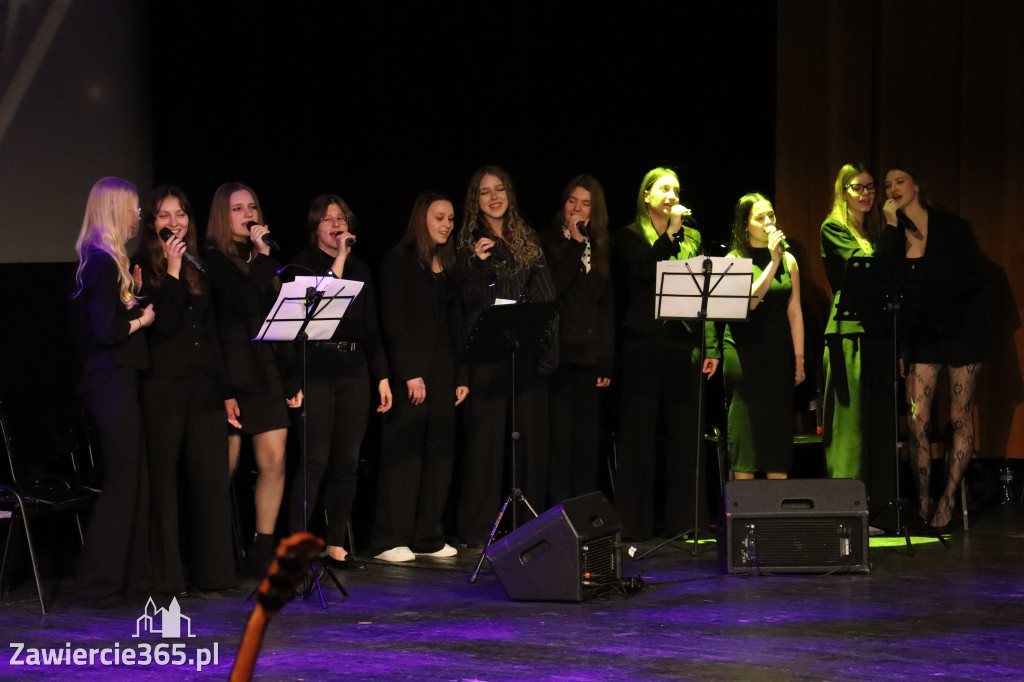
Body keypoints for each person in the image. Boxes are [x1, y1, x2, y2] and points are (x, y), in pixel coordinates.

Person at [133, 186, 235, 593]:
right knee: (165, 487)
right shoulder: (140, 267)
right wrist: (172, 271)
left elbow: (210, 333)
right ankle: (167, 578)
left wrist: (226, 390)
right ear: (151, 224)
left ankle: (214, 573)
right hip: (164, 390)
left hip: (204, 388)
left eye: (180, 215)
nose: (174, 223)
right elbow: (168, 324)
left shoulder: (199, 265)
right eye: (164, 216)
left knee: (210, 482)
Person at [283, 194, 392, 569]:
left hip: (354, 368)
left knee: (347, 462)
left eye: (342, 217)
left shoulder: (362, 267)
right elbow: (309, 318)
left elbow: (373, 328)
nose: (337, 224)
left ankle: (335, 543)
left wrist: (382, 377)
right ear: (316, 227)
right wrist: (340, 258)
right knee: (313, 461)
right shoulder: (301, 266)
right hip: (316, 365)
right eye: (328, 219)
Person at [613, 167, 720, 540]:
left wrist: (710, 344)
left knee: (687, 437)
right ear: (646, 196)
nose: (672, 194)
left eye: (676, 188)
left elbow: (706, 292)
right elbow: (646, 271)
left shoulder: (693, 238)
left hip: (684, 342)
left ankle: (687, 523)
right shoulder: (628, 238)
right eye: (663, 188)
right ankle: (633, 524)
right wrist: (670, 233)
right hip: (643, 342)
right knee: (638, 435)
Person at [881, 165, 986, 529]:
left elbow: (977, 276)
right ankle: (923, 500)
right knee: (917, 417)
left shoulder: (950, 226)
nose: (893, 189)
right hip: (923, 336)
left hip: (962, 332)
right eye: (888, 185)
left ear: (916, 185)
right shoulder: (894, 236)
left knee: (960, 416)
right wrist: (893, 229)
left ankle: (949, 497)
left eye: (900, 182)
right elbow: (884, 280)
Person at [456, 165, 555, 547]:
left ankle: (529, 524)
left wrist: (549, 349)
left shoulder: (526, 237)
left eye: (500, 189)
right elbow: (468, 301)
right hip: (486, 354)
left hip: (524, 350)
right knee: (484, 443)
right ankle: (478, 529)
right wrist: (478, 266)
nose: (494, 197)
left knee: (529, 440)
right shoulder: (468, 241)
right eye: (485, 192)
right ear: (475, 201)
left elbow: (546, 296)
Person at [202, 182, 296, 576]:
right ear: (224, 217)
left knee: (274, 460)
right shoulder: (211, 259)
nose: (247, 215)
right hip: (231, 372)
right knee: (225, 466)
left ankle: (263, 548)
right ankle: (212, 549)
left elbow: (279, 317)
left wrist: (291, 377)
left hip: (266, 369)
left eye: (252, 207)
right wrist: (261, 257)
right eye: (238, 209)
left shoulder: (265, 258)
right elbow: (242, 300)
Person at [70, 177, 154, 606]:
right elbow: (104, 332)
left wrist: (130, 300)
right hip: (109, 384)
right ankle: (96, 584)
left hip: (116, 381)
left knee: (132, 479)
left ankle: (129, 581)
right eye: (133, 207)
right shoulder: (102, 261)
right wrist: (141, 319)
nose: (139, 215)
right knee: (123, 482)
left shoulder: (102, 261)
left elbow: (102, 319)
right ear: (114, 210)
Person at [371, 192, 469, 562]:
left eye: (451, 219)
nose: (447, 224)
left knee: (440, 451)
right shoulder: (398, 262)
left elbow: (456, 324)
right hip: (410, 368)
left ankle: (427, 535)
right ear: (422, 220)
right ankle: (389, 537)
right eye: (440, 218)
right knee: (405, 452)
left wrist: (461, 374)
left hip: (444, 368)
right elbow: (393, 322)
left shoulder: (448, 264)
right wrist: (409, 373)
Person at [820, 163, 896, 521]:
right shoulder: (834, 227)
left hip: (876, 333)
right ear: (843, 191)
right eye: (858, 188)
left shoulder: (872, 231)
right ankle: (845, 513)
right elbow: (863, 267)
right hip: (848, 334)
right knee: (848, 429)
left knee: (877, 426)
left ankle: (876, 511)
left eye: (870, 188)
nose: (866, 194)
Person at [540, 175, 614, 502]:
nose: (578, 208)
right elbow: (552, 289)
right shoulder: (549, 241)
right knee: (560, 441)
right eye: (573, 201)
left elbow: (606, 306)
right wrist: (573, 243)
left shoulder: (600, 245)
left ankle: (584, 512)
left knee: (586, 442)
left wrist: (606, 359)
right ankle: (559, 513)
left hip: (589, 356)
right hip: (559, 355)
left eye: (585, 204)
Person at [723, 193, 805, 479]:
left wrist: (799, 358)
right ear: (745, 226)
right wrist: (772, 263)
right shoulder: (734, 260)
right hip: (744, 355)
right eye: (760, 218)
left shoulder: (790, 261)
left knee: (776, 438)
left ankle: (775, 518)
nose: (769, 222)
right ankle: (743, 514)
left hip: (777, 353)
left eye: (771, 215)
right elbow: (749, 302)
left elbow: (794, 311)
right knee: (746, 439)